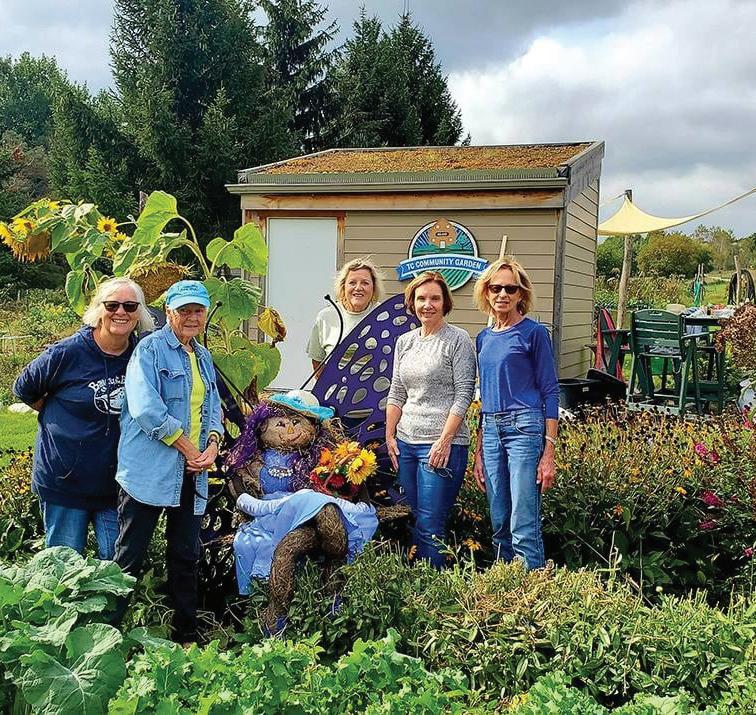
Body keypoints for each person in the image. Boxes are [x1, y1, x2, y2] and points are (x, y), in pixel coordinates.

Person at [113, 280, 223, 643]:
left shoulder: (202, 356)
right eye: (184, 310)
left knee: (185, 555)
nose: (192, 317)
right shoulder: (149, 350)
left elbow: (213, 407)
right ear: (168, 312)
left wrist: (212, 445)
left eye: (198, 310)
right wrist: (190, 450)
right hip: (150, 471)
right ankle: (107, 634)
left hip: (192, 472)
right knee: (129, 556)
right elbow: (147, 409)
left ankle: (185, 635)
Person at [12, 278, 153, 560]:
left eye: (130, 306)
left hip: (117, 484)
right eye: (112, 305)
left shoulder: (143, 355)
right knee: (64, 568)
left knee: (116, 570)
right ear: (99, 309)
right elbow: (24, 389)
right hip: (65, 481)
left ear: (139, 313)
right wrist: (60, 415)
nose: (121, 312)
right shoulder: (67, 353)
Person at [472, 257, 559, 570]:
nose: (502, 294)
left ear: (521, 294)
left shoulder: (534, 333)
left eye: (510, 289)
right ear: (486, 291)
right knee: (498, 517)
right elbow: (484, 396)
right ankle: (504, 584)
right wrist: (479, 450)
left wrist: (549, 452)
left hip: (525, 427)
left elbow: (550, 391)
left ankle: (531, 585)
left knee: (523, 519)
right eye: (496, 288)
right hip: (491, 430)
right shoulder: (483, 338)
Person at [385, 272, 476, 568]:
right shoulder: (405, 342)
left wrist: (444, 440)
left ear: (445, 302)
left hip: (440, 445)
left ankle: (433, 585)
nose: (428, 305)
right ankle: (417, 581)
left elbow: (464, 394)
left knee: (430, 523)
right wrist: (390, 436)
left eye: (435, 298)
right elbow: (397, 392)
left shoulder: (457, 340)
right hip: (406, 443)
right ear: (412, 303)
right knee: (413, 516)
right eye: (421, 298)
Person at [307, 257, 383, 373]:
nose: (358, 288)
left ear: (373, 287)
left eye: (365, 283)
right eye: (352, 283)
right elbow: (317, 361)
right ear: (343, 286)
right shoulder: (326, 317)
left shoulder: (384, 315)